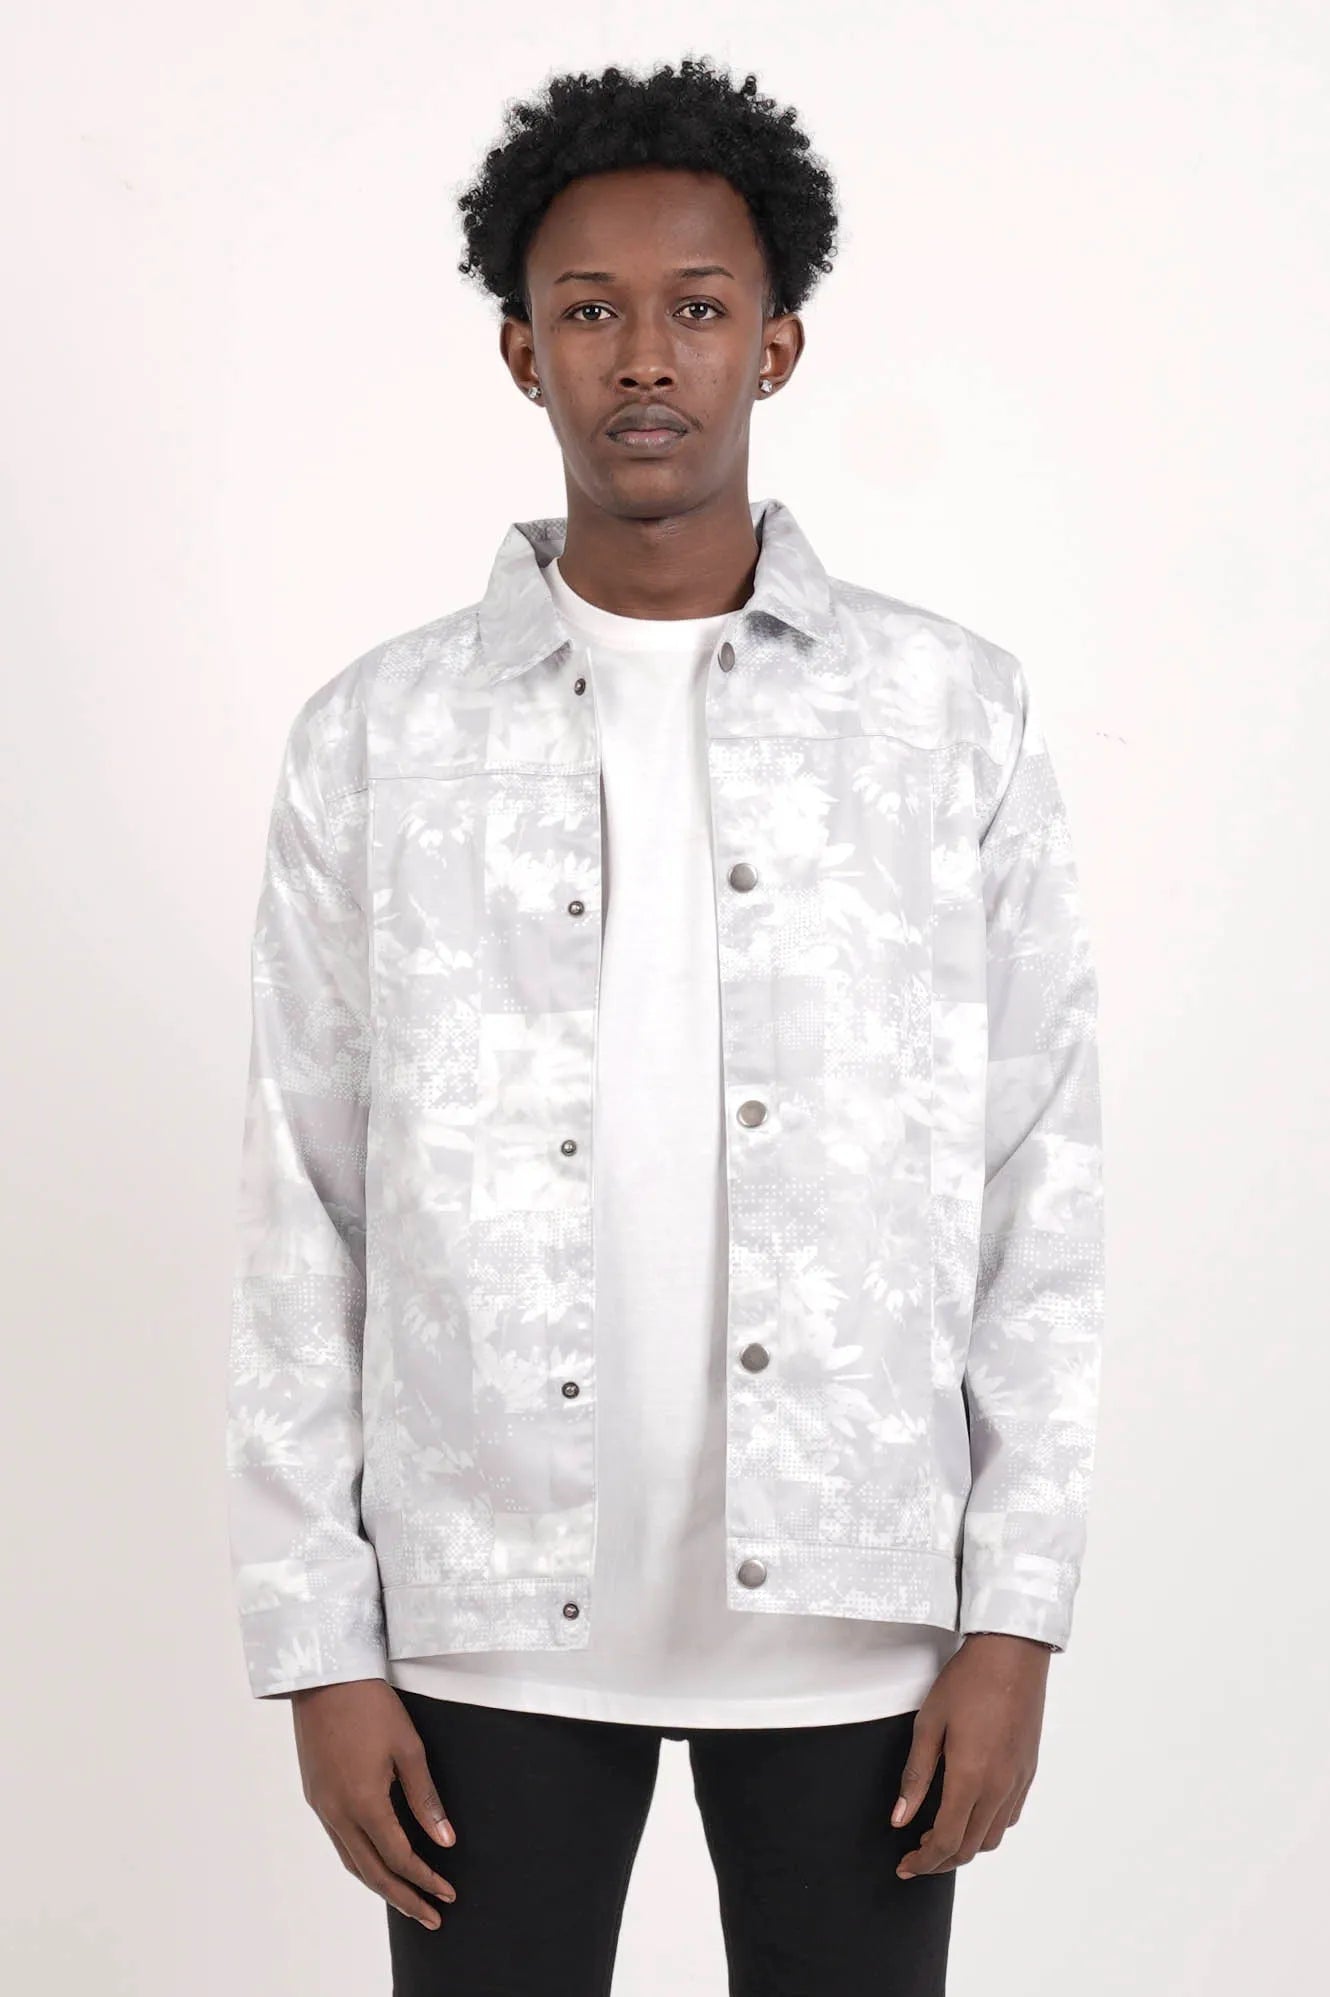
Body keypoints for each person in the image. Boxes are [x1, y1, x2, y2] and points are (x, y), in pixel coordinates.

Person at [225, 54, 1105, 1997]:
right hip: (479, 1622)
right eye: (588, 310)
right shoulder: (373, 739)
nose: (644, 356)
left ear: (773, 345)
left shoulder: (948, 718)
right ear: (519, 351)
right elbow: (302, 1208)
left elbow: (1039, 1176)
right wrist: (318, 1643)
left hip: (863, 1623)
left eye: (696, 307)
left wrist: (1014, 1615)